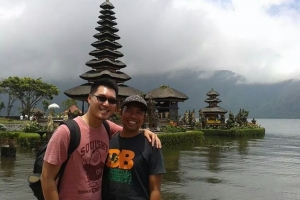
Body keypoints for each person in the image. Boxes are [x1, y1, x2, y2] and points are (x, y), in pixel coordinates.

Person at [41, 79, 161, 200]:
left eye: (112, 100)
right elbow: (47, 178)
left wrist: (145, 131)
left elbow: (129, 128)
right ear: (89, 98)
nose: (106, 104)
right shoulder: (66, 132)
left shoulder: (108, 128)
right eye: (101, 98)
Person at [103, 95, 166, 200]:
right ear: (120, 113)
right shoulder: (109, 140)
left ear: (144, 117)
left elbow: (155, 189)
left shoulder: (152, 145)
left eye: (139, 112)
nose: (133, 116)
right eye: (129, 110)